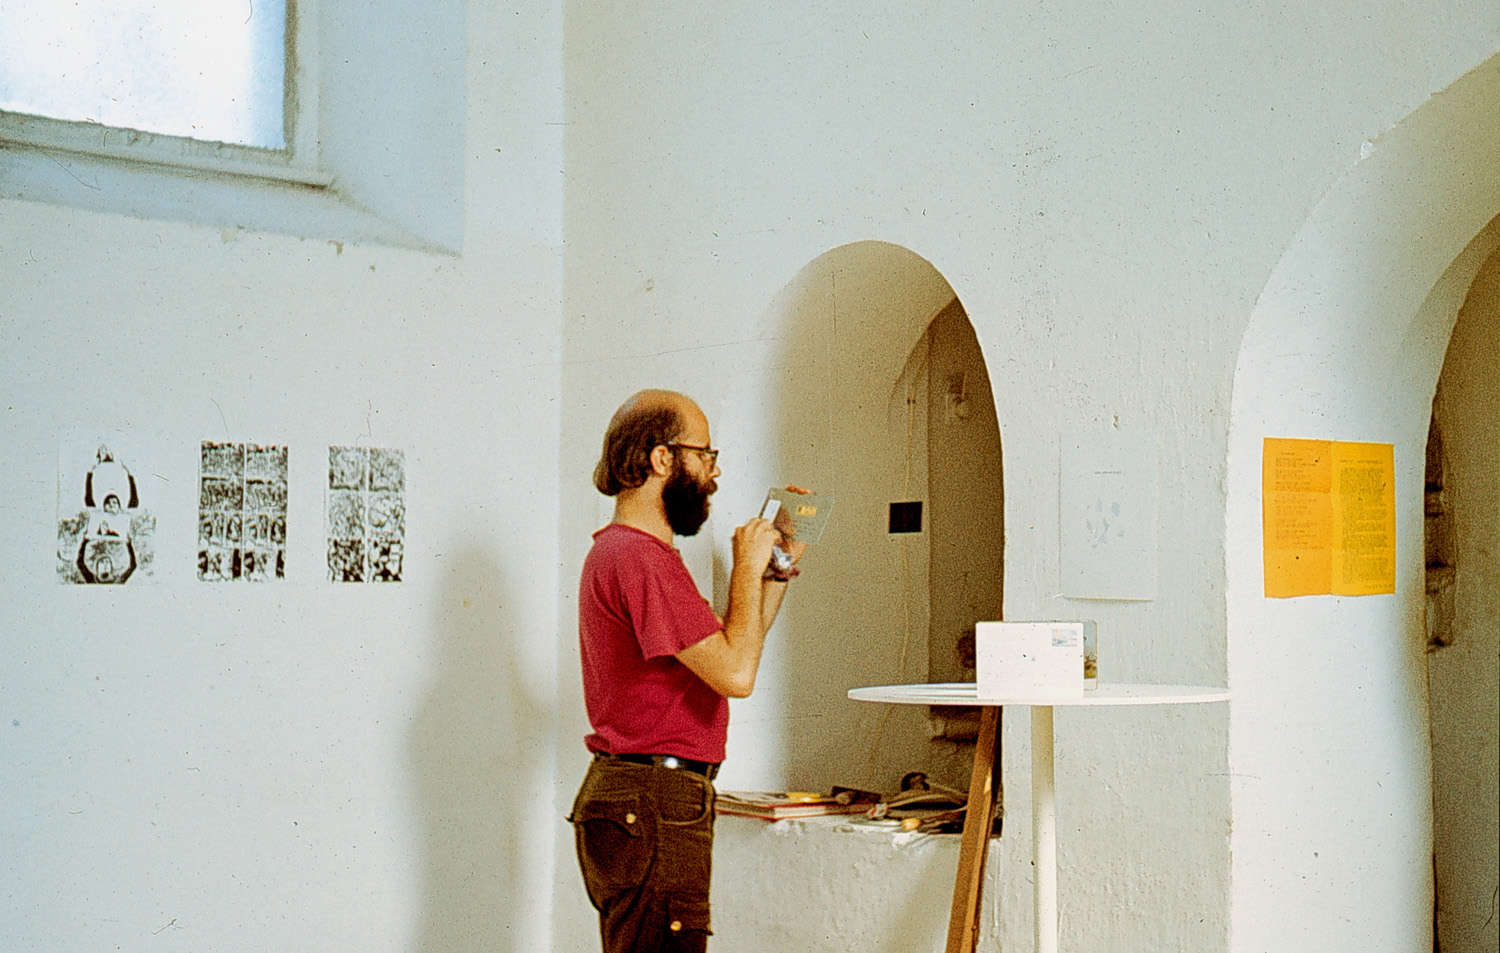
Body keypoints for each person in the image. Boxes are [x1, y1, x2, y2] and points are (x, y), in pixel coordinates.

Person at [569, 389, 806, 952]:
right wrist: (745, 566)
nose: (713, 472)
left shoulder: (629, 555)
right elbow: (737, 676)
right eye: (705, 455)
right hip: (654, 799)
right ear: (661, 458)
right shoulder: (640, 559)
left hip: (640, 797)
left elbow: (732, 650)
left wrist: (774, 572)